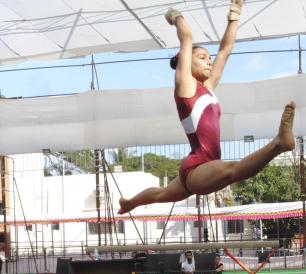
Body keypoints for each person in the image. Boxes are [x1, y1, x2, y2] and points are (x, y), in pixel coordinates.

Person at [118, 1, 296, 215]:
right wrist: (174, 15)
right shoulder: (185, 87)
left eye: (208, 59)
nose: (209, 62)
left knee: (160, 194)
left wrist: (235, 13)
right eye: (202, 58)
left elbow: (225, 50)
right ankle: (279, 144)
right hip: (198, 168)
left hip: (200, 165)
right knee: (233, 171)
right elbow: (186, 37)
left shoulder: (208, 88)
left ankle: (129, 203)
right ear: (186, 62)